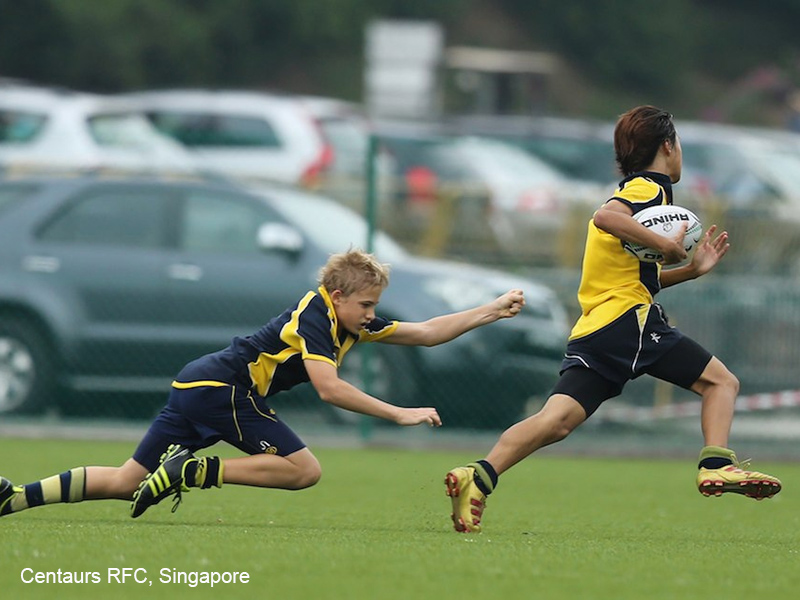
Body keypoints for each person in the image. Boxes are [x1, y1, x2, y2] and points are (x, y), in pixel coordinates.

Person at [444, 105, 782, 534]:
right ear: (667, 146)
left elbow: (635, 277)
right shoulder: (649, 190)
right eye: (678, 146)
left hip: (597, 327)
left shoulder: (638, 191)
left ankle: (479, 475)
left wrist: (689, 270)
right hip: (626, 321)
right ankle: (717, 464)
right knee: (721, 383)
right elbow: (606, 216)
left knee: (556, 421)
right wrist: (669, 245)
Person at [0, 248, 525, 519]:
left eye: (374, 306)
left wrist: (492, 310)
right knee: (304, 470)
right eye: (366, 304)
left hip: (198, 386)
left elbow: (428, 332)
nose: (372, 314)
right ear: (337, 293)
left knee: (124, 481)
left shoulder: (347, 321)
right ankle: (195, 471)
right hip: (223, 390)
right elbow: (329, 389)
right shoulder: (316, 319)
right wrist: (399, 412)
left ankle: (13, 498)